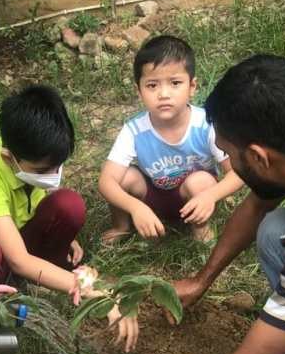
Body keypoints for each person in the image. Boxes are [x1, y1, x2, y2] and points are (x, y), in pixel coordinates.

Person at [74, 55, 285, 354]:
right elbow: (259, 202)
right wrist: (203, 279)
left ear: (260, 157)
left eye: (229, 155)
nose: (226, 161)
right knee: (274, 228)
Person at [0, 84, 139, 351]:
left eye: (57, 166)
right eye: (42, 170)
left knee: (69, 205)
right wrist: (89, 288)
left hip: (18, 239)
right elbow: (17, 258)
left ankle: (39, 283)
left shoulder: (29, 154)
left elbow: (37, 202)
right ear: (8, 158)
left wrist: (67, 238)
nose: (52, 175)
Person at [98, 35, 243, 244]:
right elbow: (106, 182)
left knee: (200, 181)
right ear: (138, 91)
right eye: (152, 85)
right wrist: (135, 207)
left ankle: (200, 228)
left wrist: (211, 196)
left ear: (192, 86)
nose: (164, 94)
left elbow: (237, 172)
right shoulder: (134, 130)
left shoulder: (205, 124)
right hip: (153, 198)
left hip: (196, 197)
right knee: (124, 177)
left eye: (175, 83)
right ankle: (121, 226)